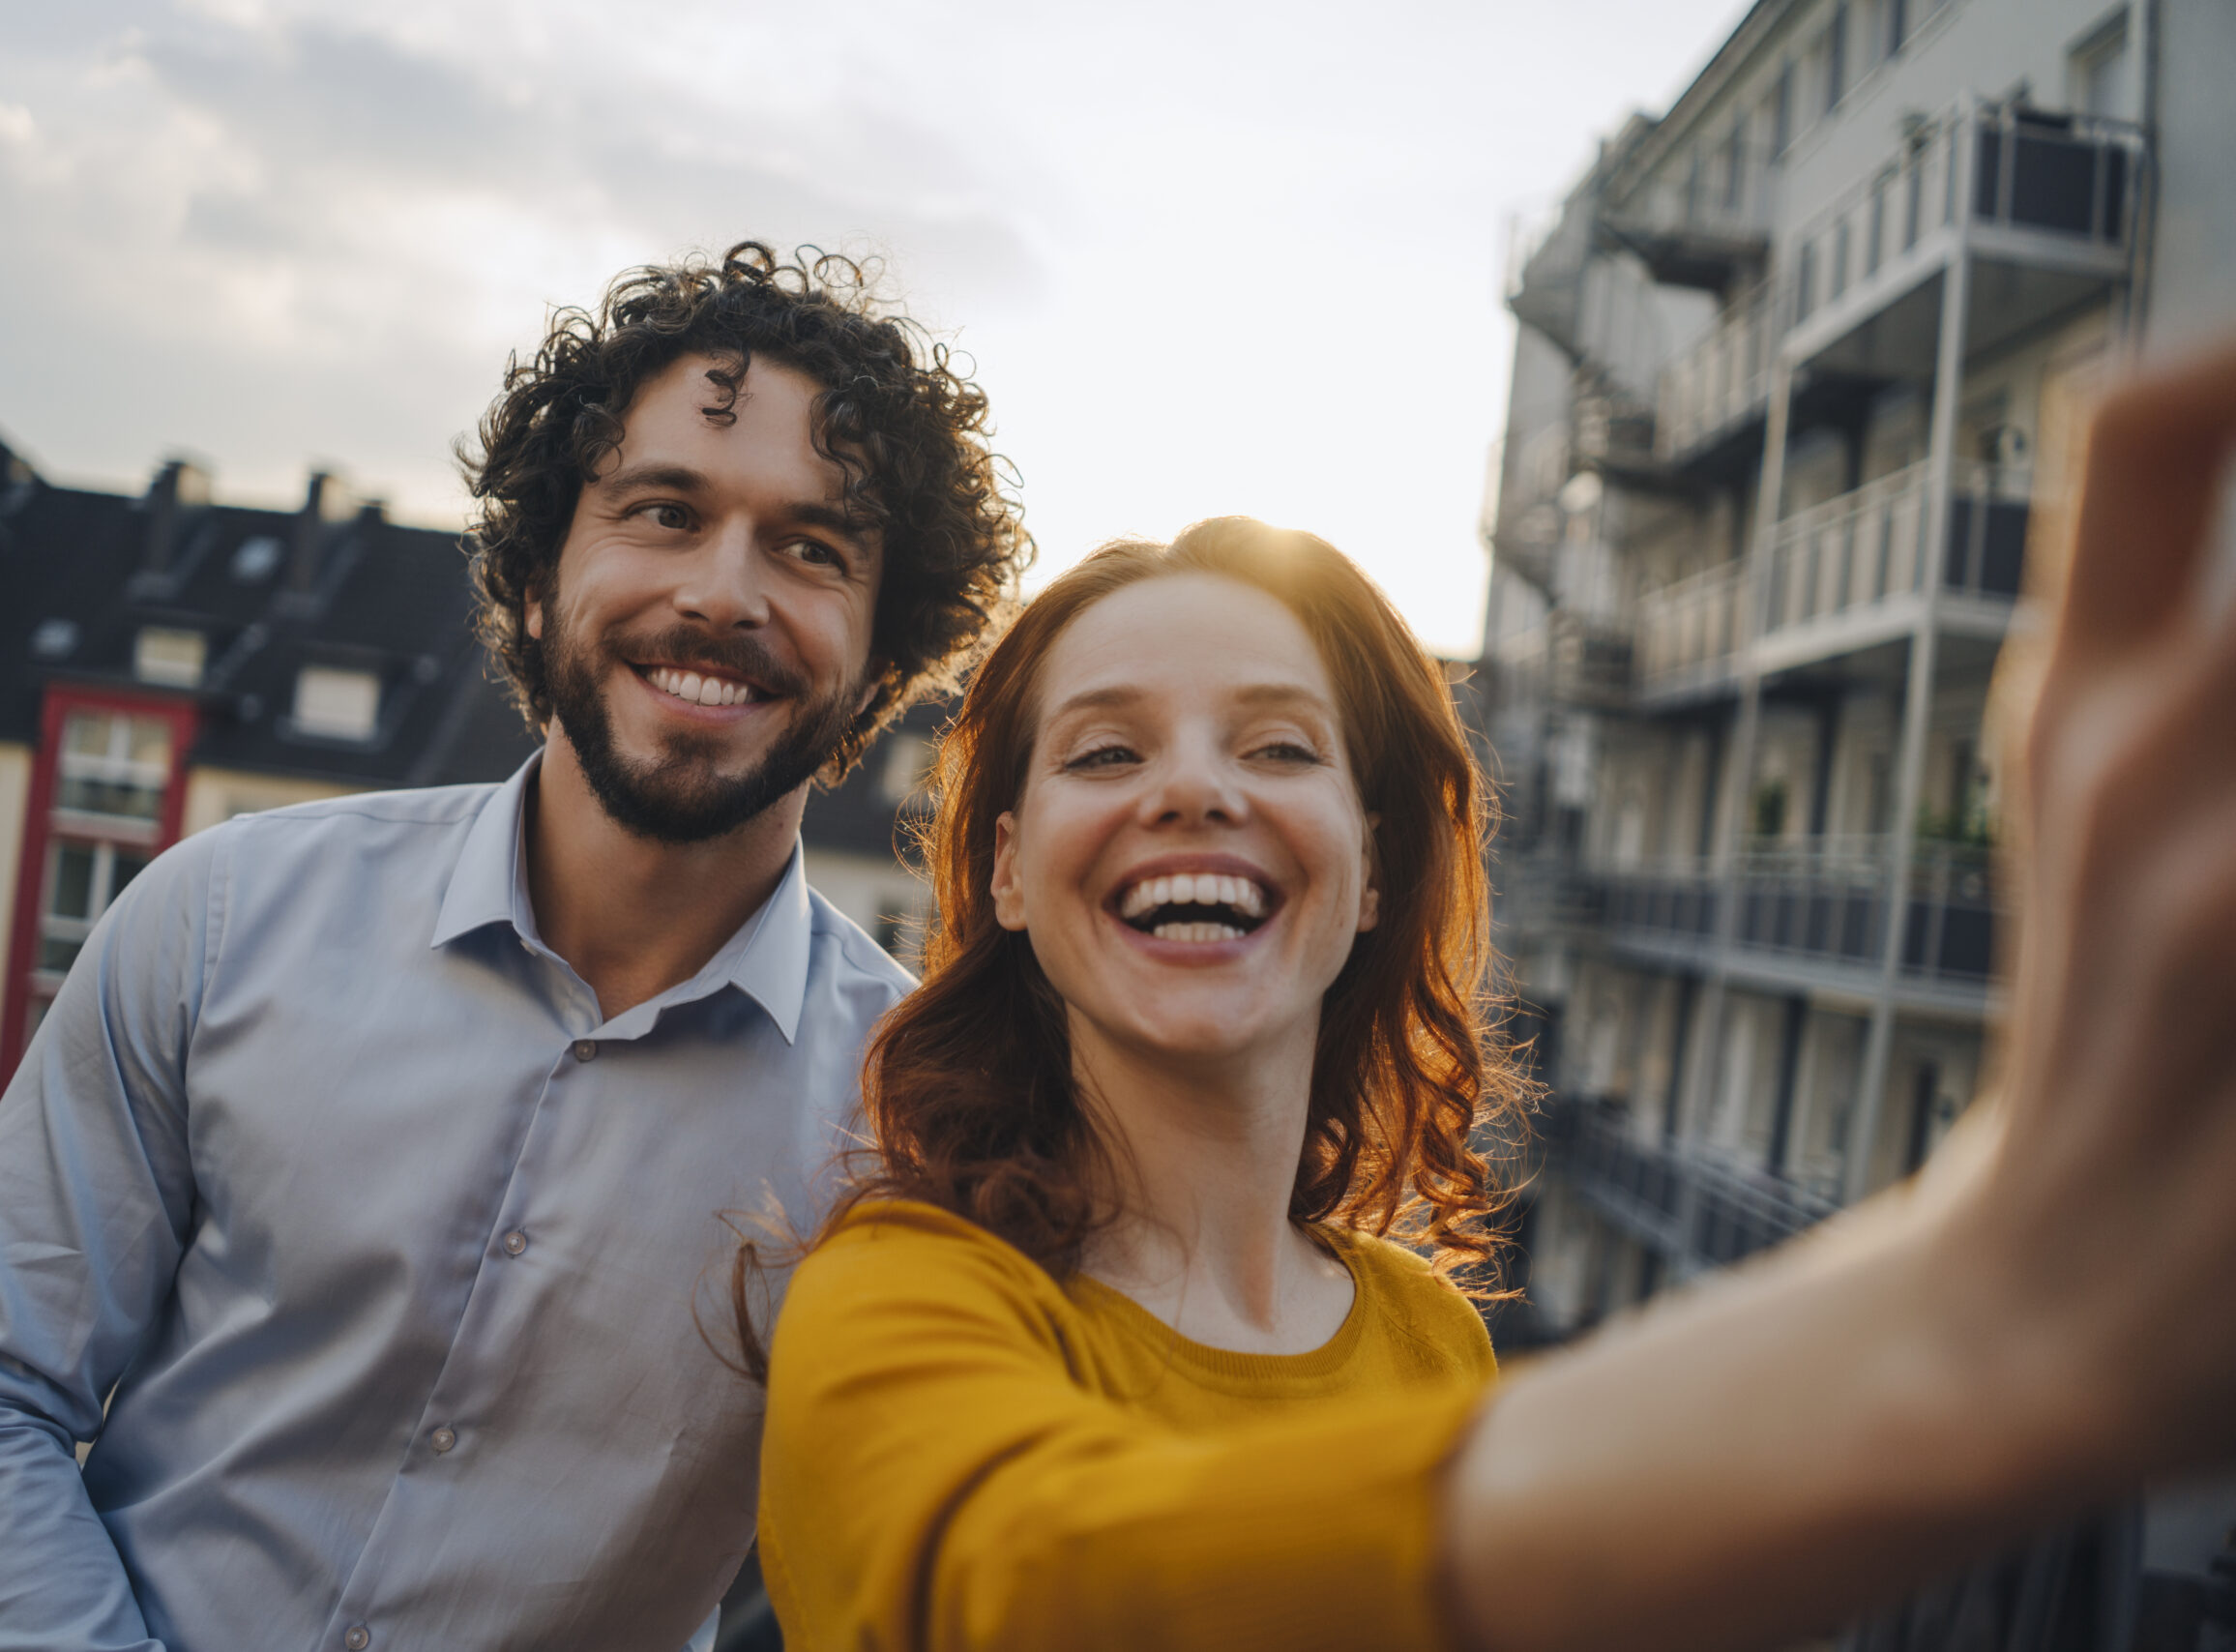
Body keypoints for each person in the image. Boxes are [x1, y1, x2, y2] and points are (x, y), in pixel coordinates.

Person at [754, 347, 2236, 1651]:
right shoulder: (897, 1295)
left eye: (1278, 748)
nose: (1195, 787)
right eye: (1104, 752)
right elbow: (1016, 1600)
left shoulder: (1429, 1337)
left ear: (1377, 865)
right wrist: (1945, 1340)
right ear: (1009, 872)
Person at [0, 243, 1030, 1652]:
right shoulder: (220, 917)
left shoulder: (908, 1132)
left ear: (882, 664)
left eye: (812, 547)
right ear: (537, 582)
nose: (726, 592)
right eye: (664, 512)